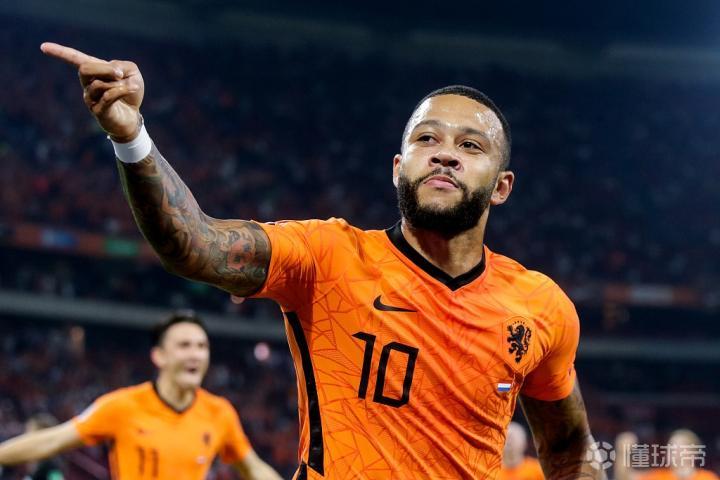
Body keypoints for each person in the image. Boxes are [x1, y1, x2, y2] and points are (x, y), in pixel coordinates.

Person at [39, 42, 604, 480]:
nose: (445, 154)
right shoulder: (328, 256)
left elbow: (569, 446)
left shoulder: (541, 307)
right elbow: (195, 244)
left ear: (502, 186)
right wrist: (132, 137)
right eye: (426, 139)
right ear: (398, 169)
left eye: (471, 145)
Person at [0, 312, 282, 480]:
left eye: (202, 346)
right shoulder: (122, 406)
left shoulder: (219, 412)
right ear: (159, 356)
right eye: (184, 345)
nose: (195, 354)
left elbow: (253, 468)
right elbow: (52, 439)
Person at [615, 430, 718, 480]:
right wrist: (623, 452)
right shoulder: (659, 476)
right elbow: (626, 477)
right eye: (670, 446)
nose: (672, 450)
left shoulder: (707, 478)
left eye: (679, 446)